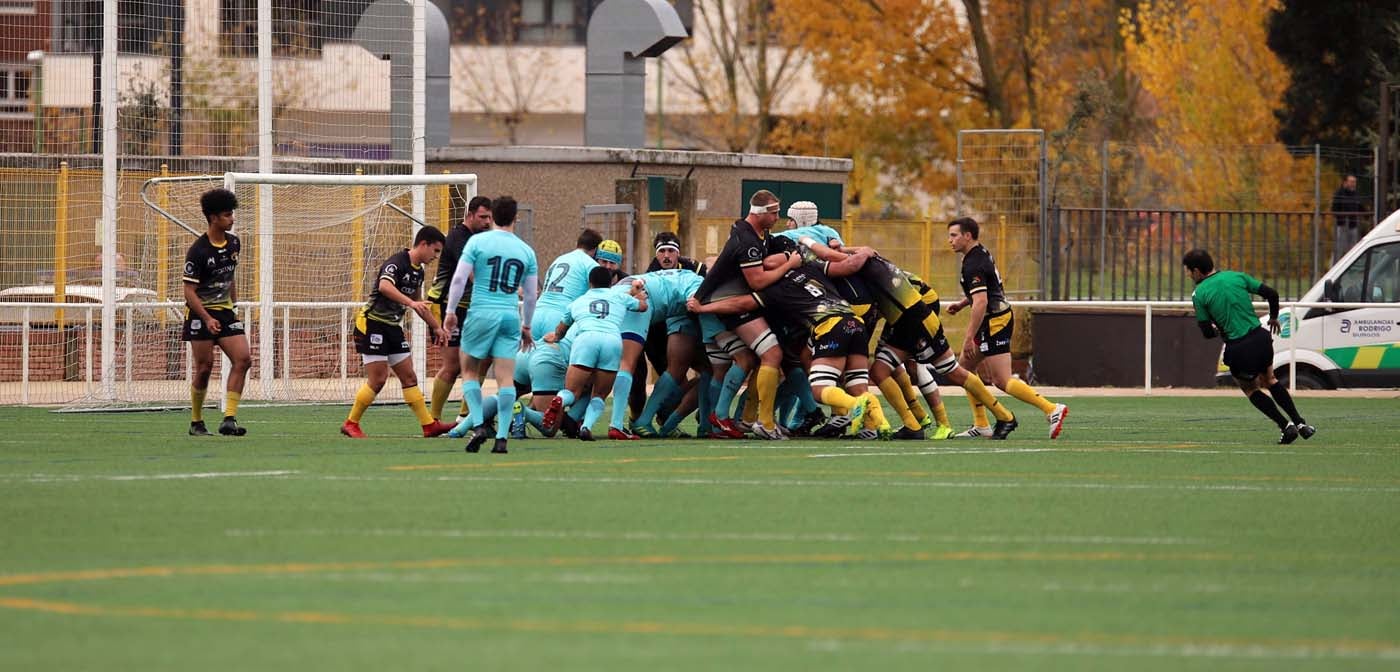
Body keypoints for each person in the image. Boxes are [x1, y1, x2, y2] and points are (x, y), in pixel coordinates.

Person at [693, 189, 802, 439]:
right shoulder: (747, 241)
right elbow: (757, 281)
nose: (777, 217)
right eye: (774, 213)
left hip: (728, 301)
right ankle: (759, 421)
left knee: (746, 360)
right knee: (771, 354)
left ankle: (725, 417)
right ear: (760, 213)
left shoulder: (757, 234)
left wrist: (786, 253)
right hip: (730, 303)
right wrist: (789, 263)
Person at [946, 217, 1068, 439]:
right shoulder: (978, 254)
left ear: (967, 236)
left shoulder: (973, 263)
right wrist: (963, 303)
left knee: (1001, 380)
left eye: (954, 235)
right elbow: (988, 290)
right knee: (964, 368)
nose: (950, 240)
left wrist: (968, 337)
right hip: (991, 319)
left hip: (995, 322)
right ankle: (981, 424)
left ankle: (1051, 409)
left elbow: (981, 302)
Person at [1184, 249, 1316, 444]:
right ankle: (1300, 423)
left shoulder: (1199, 294)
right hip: (1261, 338)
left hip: (1239, 347)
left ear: (1196, 271)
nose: (1188, 275)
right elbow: (1272, 294)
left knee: (1250, 389)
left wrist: (1217, 329)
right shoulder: (1236, 276)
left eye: (1188, 271)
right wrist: (1273, 318)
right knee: (1270, 380)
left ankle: (1285, 426)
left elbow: (1207, 333)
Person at [443, 196, 540, 454]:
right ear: (515, 218)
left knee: (469, 370)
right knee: (505, 377)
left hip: (481, 312)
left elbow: (459, 279)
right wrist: (527, 326)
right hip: (509, 315)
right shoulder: (526, 251)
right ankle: (502, 437)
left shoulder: (477, 242)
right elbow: (531, 295)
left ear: (493, 216)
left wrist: (450, 311)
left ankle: (478, 425)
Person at [341, 227, 455, 439]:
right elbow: (385, 286)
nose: (436, 256)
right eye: (436, 251)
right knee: (378, 379)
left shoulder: (418, 272)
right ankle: (351, 423)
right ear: (424, 244)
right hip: (372, 324)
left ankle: (429, 425)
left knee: (409, 377)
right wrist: (410, 303)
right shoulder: (397, 262)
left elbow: (419, 304)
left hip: (392, 327)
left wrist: (437, 327)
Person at [542, 267, 649, 441]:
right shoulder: (620, 297)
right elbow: (642, 307)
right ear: (611, 282)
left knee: (571, 391)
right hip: (612, 341)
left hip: (585, 340)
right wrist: (640, 295)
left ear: (590, 283)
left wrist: (555, 337)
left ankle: (561, 399)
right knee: (599, 394)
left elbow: (561, 329)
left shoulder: (577, 302)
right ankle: (586, 427)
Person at [182, 188, 253, 437]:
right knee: (205, 367)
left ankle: (229, 419)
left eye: (232, 213)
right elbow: (189, 291)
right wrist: (207, 318)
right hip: (200, 314)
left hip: (225, 312)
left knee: (244, 359)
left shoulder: (234, 243)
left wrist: (234, 306)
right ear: (213, 218)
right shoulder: (198, 251)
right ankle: (196, 422)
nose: (232, 219)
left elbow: (229, 276)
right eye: (227, 215)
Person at [426, 196, 493, 422]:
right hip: (447, 306)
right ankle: (433, 419)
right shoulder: (458, 237)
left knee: (483, 358)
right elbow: (472, 273)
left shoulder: (482, 238)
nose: (487, 222)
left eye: (490, 218)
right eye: (483, 217)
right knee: (453, 365)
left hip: (472, 307)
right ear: (470, 215)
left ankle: (465, 416)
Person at [1332, 174, 1367, 263]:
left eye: (1354, 182)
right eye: (1351, 182)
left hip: (1353, 225)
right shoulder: (1339, 194)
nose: (1353, 184)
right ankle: (1335, 267)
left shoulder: (1356, 194)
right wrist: (1342, 218)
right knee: (1339, 249)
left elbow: (1361, 207)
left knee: (1353, 250)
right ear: (1345, 182)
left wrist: (1366, 215)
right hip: (1342, 225)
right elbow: (1334, 209)